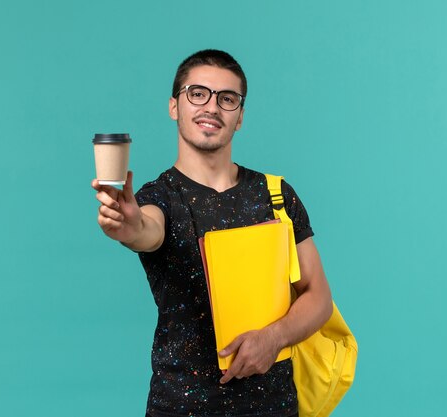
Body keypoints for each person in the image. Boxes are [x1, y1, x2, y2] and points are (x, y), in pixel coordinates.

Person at [92, 49, 333, 417]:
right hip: (179, 408)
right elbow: (147, 229)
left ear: (240, 117)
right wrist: (130, 226)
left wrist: (274, 338)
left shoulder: (276, 194)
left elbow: (318, 297)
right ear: (175, 106)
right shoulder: (160, 198)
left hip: (276, 408)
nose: (212, 107)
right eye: (197, 93)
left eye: (227, 98)